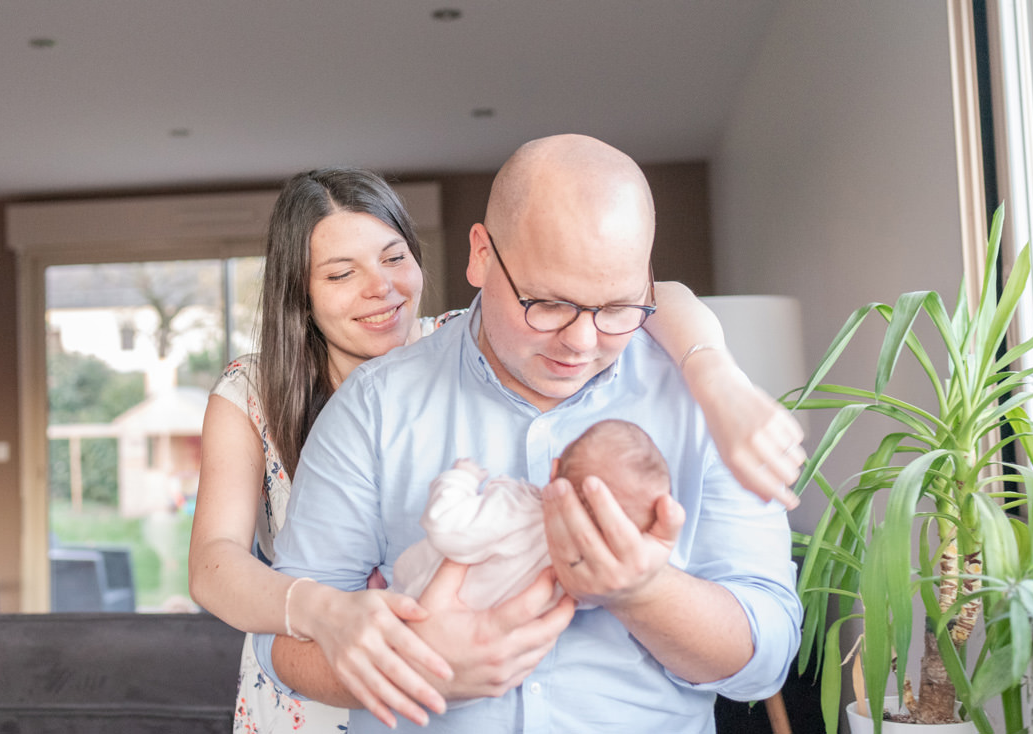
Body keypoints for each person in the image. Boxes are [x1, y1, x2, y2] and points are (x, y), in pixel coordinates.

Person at [254, 135, 804, 734]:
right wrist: (420, 668)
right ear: (481, 256)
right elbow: (283, 644)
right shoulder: (373, 406)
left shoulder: (708, 406)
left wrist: (644, 590)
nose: (582, 342)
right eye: (547, 303)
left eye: (617, 308)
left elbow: (766, 659)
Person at [391, 419, 671, 612]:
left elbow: (445, 522)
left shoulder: (515, 511)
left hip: (413, 600)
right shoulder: (586, 581)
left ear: (554, 470)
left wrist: (461, 478)